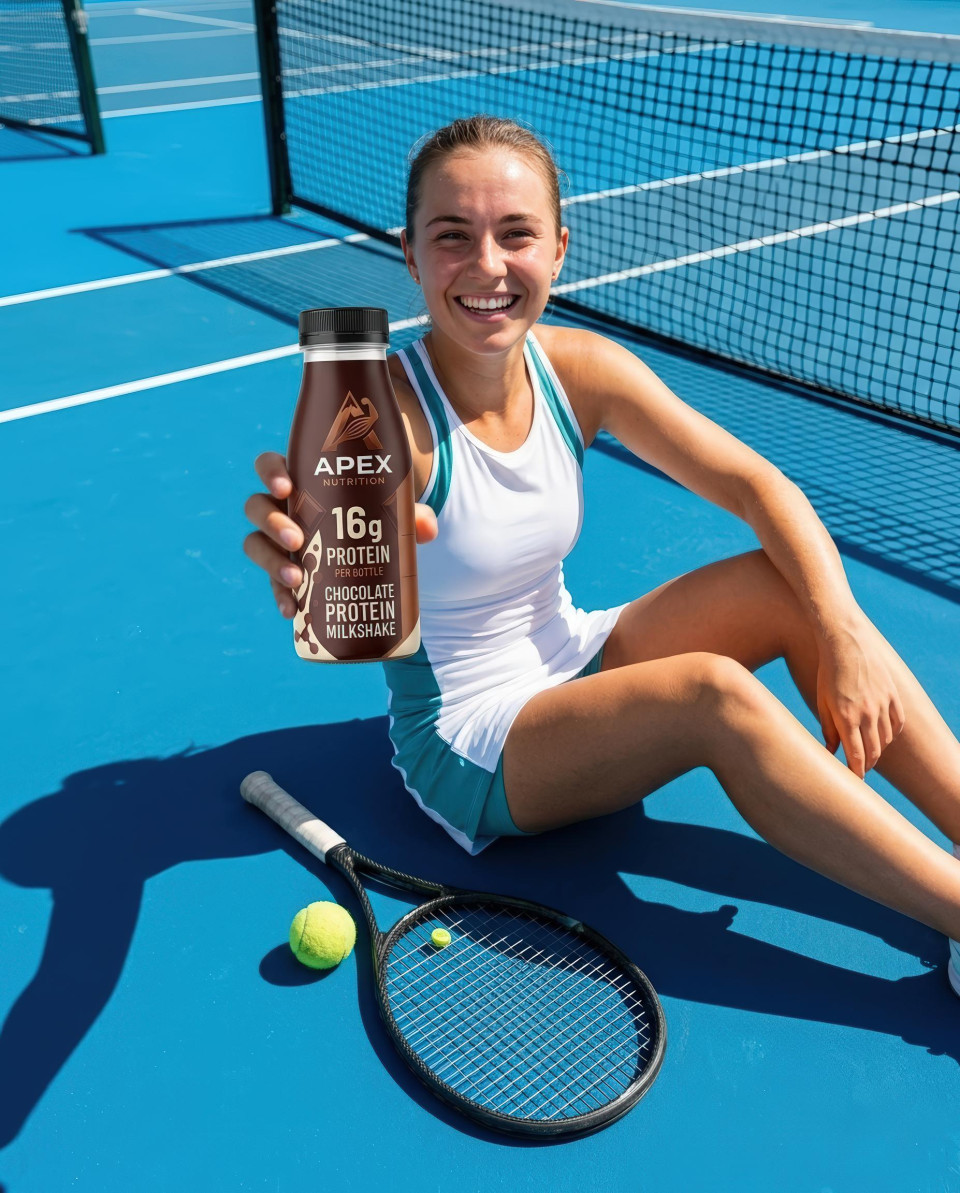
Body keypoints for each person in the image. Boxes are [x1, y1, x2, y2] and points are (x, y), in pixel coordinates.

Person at [243, 115, 960, 993]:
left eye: (517, 234)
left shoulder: (580, 369)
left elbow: (757, 486)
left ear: (559, 248)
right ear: (411, 254)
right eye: (452, 236)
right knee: (714, 695)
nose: (488, 266)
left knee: (793, 588)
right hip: (472, 740)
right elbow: (332, 566)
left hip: (574, 653)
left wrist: (839, 625)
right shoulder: (375, 418)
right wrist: (302, 567)